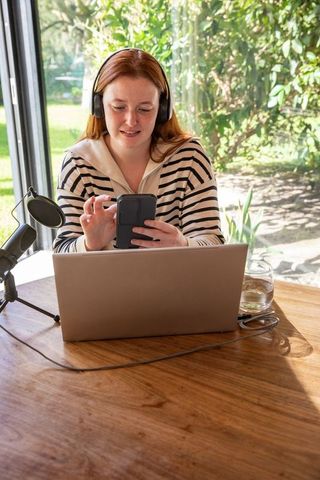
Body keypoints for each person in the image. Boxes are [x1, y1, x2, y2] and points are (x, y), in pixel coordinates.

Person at [53, 48, 224, 253]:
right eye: (118, 107)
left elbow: (213, 243)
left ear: (162, 110)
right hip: (105, 286)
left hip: (178, 284)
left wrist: (183, 244)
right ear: (99, 107)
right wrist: (90, 243)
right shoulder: (77, 164)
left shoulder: (190, 158)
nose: (131, 121)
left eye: (144, 109)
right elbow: (62, 252)